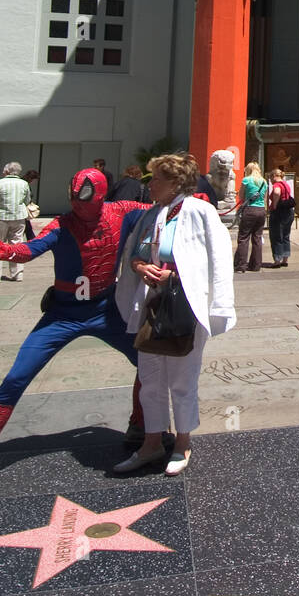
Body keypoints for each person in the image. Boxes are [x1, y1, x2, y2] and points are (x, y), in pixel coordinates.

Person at [0, 169, 150, 497]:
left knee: (149, 362)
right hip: (62, 315)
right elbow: (32, 248)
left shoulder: (123, 212)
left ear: (101, 197)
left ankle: (138, 425)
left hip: (105, 311)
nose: (78, 206)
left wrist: (193, 200)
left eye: (84, 200)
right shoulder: (63, 225)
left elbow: (164, 210)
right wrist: (4, 250)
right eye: (73, 199)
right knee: (16, 378)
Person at [114, 152, 235, 476]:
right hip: (151, 307)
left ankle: (182, 442)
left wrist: (180, 280)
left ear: (174, 183)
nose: (150, 185)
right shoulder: (152, 214)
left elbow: (219, 260)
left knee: (183, 379)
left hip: (184, 307)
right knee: (150, 379)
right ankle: (151, 442)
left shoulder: (200, 212)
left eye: (156, 179)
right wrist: (139, 266)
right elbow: (135, 252)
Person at [0, 162, 33, 282]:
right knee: (16, 245)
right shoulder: (24, 184)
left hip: (1, 217)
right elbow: (27, 200)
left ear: (6, 171)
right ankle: (17, 274)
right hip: (19, 217)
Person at [234, 161, 268, 272]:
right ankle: (256, 265)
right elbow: (264, 198)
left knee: (243, 238)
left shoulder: (246, 180)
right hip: (261, 210)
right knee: (257, 237)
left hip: (249, 209)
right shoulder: (264, 182)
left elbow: (241, 195)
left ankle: (241, 265)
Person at [268, 167, 294, 267]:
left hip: (279, 213)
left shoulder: (277, 184)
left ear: (274, 176)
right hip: (288, 212)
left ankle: (277, 260)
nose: (270, 179)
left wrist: (274, 204)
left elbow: (277, 192)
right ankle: (285, 259)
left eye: (270, 177)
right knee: (286, 236)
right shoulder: (286, 184)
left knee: (276, 236)